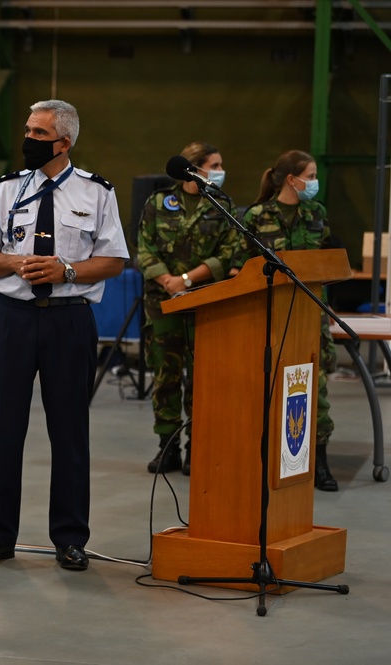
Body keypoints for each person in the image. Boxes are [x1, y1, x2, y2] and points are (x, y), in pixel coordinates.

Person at [0, 100, 129, 571]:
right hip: (12, 318)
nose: (29, 140)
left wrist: (68, 269)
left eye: (39, 133)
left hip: (68, 319)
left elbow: (114, 261)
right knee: (2, 429)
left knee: (70, 431)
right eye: (28, 130)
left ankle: (70, 538)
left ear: (65, 142)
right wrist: (17, 261)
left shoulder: (96, 193)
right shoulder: (6, 190)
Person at [233, 150, 339, 491]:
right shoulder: (257, 216)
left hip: (310, 312)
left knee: (316, 387)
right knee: (269, 387)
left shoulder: (317, 213)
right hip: (271, 314)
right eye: (310, 174)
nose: (314, 181)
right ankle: (262, 460)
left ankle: (318, 460)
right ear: (292, 179)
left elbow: (327, 259)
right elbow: (241, 266)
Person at [136, 142, 241, 475]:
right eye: (216, 164)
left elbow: (227, 254)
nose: (221, 170)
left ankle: (198, 446)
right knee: (165, 377)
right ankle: (168, 448)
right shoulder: (158, 203)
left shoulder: (222, 206)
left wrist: (187, 279)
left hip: (205, 304)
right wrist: (168, 280)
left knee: (202, 380)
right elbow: (144, 247)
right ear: (194, 168)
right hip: (162, 303)